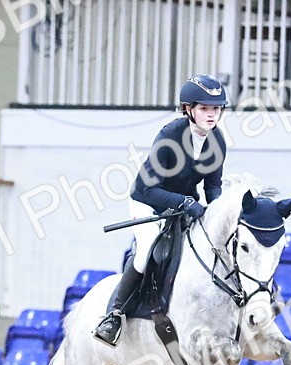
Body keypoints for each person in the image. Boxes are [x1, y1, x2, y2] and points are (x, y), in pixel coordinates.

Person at [93, 73, 229, 346]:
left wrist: (219, 212)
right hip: (148, 202)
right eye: (204, 108)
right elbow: (149, 189)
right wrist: (185, 203)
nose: (211, 115)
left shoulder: (217, 142)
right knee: (146, 251)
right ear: (188, 109)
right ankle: (115, 314)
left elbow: (213, 187)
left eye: (216, 108)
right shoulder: (169, 136)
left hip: (183, 206)